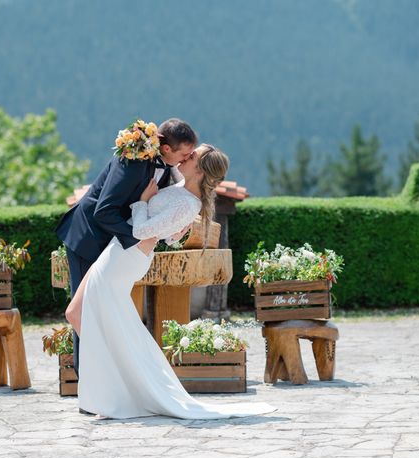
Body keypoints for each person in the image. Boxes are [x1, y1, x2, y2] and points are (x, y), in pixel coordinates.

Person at [66, 144, 276, 419]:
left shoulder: (189, 203)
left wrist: (142, 200)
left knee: (82, 315)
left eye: (192, 156)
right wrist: (175, 231)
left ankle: (118, 388)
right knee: (79, 314)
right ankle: (120, 383)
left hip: (125, 258)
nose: (185, 157)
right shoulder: (181, 191)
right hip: (119, 252)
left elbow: (141, 230)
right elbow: (166, 235)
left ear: (199, 170)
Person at [55, 118, 197, 378]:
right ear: (167, 149)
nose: (188, 158)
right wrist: (137, 238)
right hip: (89, 238)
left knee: (106, 311)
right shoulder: (133, 160)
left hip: (116, 245)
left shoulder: (168, 168)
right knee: (85, 311)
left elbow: (153, 214)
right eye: (185, 154)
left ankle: (112, 380)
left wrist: (171, 233)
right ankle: (86, 384)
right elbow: (104, 212)